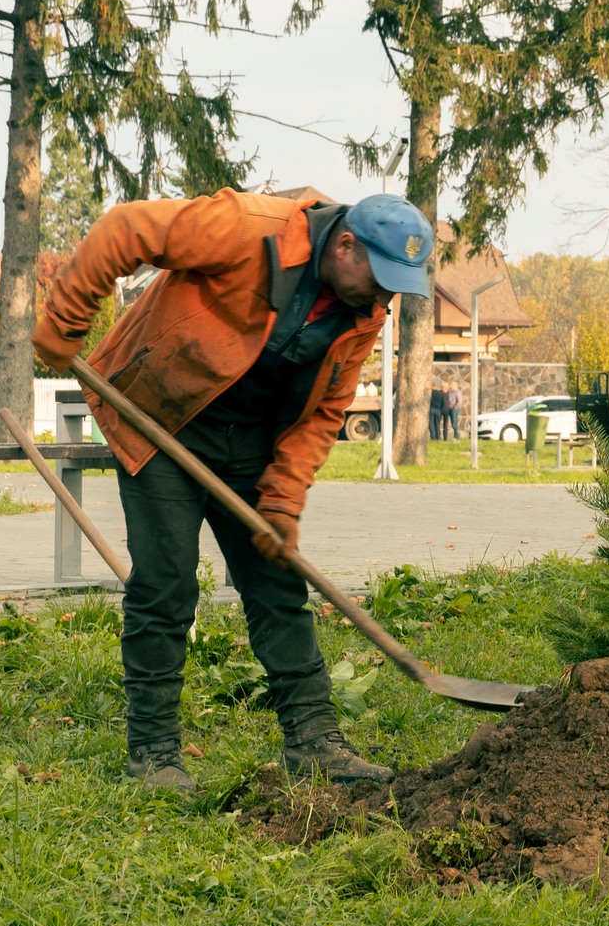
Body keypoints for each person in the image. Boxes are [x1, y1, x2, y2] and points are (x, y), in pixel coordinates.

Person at [33, 188, 436, 795]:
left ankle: (314, 740)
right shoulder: (251, 228)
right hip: (161, 413)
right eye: (379, 278)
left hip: (250, 440)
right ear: (345, 244)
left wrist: (282, 498)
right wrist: (68, 319)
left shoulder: (361, 318)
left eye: (395, 285)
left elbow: (324, 412)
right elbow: (124, 229)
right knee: (166, 584)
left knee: (277, 585)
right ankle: (153, 753)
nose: (384, 297)